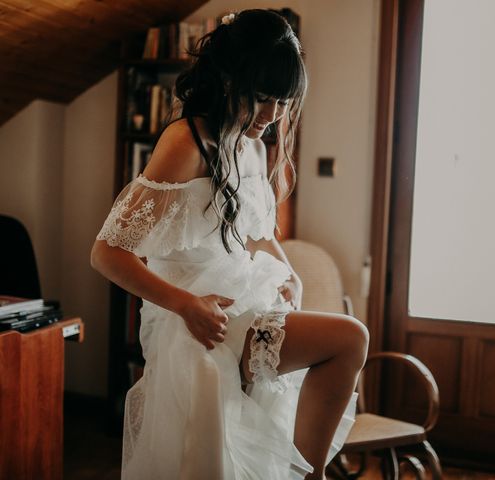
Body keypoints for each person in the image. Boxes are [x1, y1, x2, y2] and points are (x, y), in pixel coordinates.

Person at [91, 9, 368, 480]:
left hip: (243, 304)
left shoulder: (253, 147)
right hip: (200, 323)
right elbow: (107, 254)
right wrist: (186, 305)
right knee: (350, 339)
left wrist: (291, 274)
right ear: (227, 79)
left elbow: (256, 234)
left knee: (343, 346)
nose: (272, 116)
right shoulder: (185, 142)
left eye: (282, 102)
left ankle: (307, 473)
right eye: (262, 98)